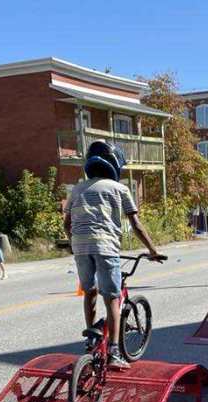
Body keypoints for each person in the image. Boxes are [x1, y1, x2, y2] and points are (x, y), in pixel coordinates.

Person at [64, 140, 163, 370]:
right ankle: (115, 352)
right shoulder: (120, 189)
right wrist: (153, 251)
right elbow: (136, 224)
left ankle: (91, 340)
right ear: (115, 164)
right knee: (112, 298)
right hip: (105, 246)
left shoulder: (78, 188)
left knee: (90, 291)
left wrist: (74, 243)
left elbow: (66, 224)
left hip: (80, 246)